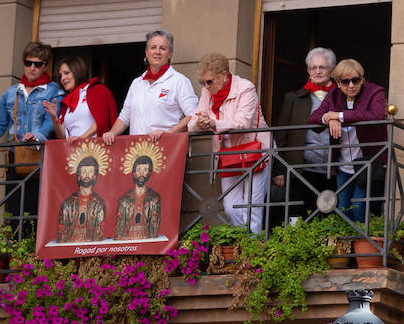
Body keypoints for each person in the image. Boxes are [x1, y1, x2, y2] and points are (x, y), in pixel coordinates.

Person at [0, 41, 63, 220]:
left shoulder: (54, 91)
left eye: (37, 64)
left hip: (41, 158)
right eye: (28, 63)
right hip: (15, 157)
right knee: (14, 209)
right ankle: (15, 245)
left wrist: (37, 136)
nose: (32, 68)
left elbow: (52, 123)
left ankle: (32, 247)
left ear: (45, 66)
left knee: (37, 211)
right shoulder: (10, 93)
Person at [188, 53, 268, 232]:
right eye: (203, 82)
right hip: (228, 155)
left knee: (252, 207)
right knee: (231, 208)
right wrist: (200, 123)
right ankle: (242, 244)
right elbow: (193, 123)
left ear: (224, 75)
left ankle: (251, 253)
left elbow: (242, 122)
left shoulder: (246, 88)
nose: (206, 87)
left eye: (210, 82)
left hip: (255, 152)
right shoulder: (207, 92)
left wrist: (213, 123)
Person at [309, 58, 389, 221]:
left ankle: (364, 243)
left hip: (368, 162)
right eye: (345, 81)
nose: (351, 85)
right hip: (343, 165)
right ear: (338, 83)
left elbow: (374, 116)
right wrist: (328, 119)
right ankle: (347, 246)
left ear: (362, 79)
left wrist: (339, 115)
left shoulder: (375, 92)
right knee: (343, 210)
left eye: (355, 80)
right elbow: (312, 120)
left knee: (360, 208)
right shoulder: (334, 95)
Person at [102, 30, 197, 145]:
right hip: (136, 152)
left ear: (170, 53)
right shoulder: (137, 83)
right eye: (153, 47)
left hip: (167, 149)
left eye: (163, 48)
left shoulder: (179, 81)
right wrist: (112, 132)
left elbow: (193, 115)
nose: (157, 52)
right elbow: (126, 115)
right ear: (146, 52)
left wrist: (168, 133)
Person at [274, 47, 338, 214]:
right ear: (308, 70)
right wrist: (279, 170)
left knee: (330, 215)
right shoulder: (294, 98)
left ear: (331, 71)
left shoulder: (342, 97)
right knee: (298, 214)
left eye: (322, 67)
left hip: (334, 169)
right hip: (301, 169)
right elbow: (281, 136)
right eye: (313, 68)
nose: (317, 71)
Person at [43, 54, 118, 140]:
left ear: (77, 71)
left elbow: (101, 120)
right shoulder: (67, 101)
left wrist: (80, 139)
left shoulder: (96, 90)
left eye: (66, 73)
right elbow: (62, 136)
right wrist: (54, 117)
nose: (62, 78)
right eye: (60, 76)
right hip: (73, 151)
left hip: (95, 149)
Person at [57, 151, 107, 243]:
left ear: (95, 176)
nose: (87, 175)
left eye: (90, 172)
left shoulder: (99, 203)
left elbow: (99, 234)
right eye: (84, 172)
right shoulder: (67, 204)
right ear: (79, 176)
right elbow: (62, 233)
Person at [114, 149, 163, 240]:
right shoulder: (124, 200)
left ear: (149, 173)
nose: (141, 174)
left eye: (145, 170)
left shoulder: (154, 198)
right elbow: (120, 228)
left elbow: (154, 225)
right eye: (139, 170)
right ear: (134, 172)